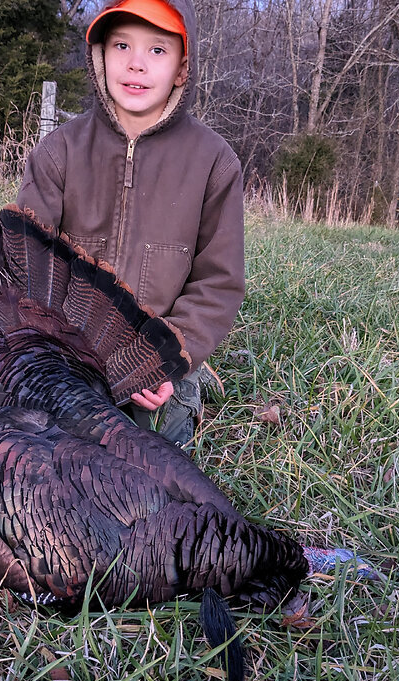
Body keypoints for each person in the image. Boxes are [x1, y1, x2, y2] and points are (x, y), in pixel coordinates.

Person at [16, 0, 244, 449]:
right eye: (122, 44)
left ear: (183, 67)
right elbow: (26, 263)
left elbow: (218, 283)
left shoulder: (213, 162)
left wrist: (169, 354)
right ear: (100, 53)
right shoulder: (59, 151)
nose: (136, 63)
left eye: (157, 50)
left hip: (157, 361)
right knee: (44, 459)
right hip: (68, 352)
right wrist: (60, 350)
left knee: (153, 472)